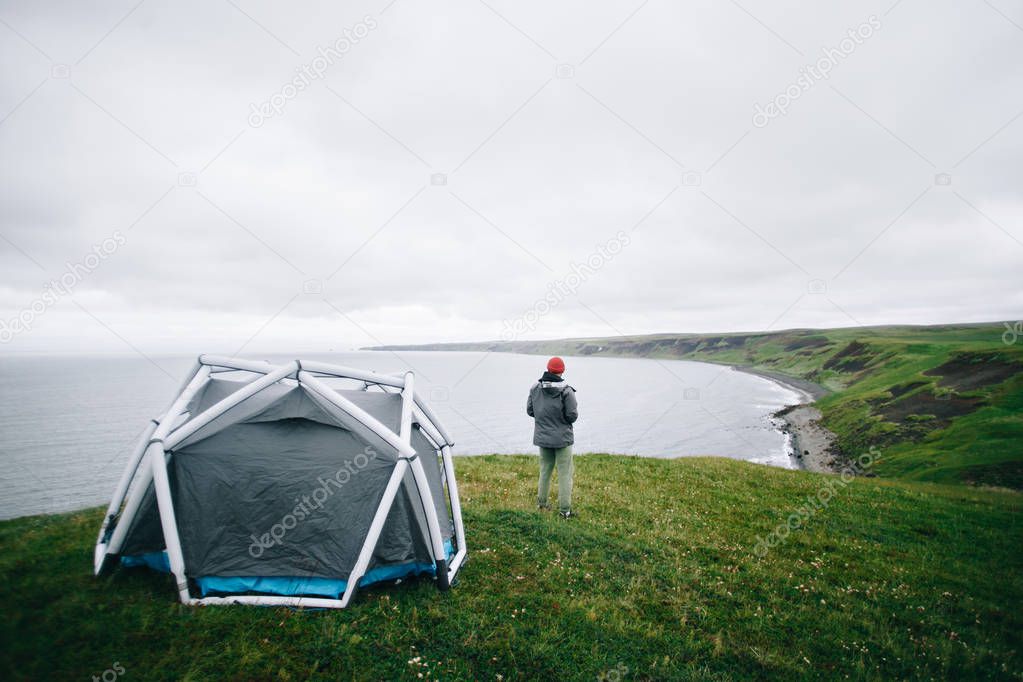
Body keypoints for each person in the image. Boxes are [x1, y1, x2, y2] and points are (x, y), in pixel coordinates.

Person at [526, 356, 579, 519]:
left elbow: (530, 411)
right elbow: (572, 416)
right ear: (562, 371)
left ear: (548, 369)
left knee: (545, 471)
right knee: (564, 474)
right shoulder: (566, 391)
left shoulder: (535, 388)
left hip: (543, 438)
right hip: (562, 439)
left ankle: (542, 504)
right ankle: (565, 511)